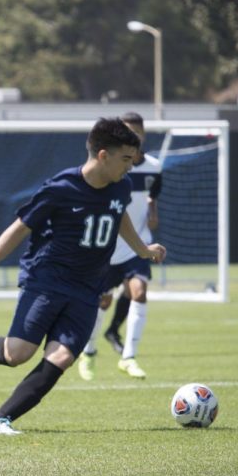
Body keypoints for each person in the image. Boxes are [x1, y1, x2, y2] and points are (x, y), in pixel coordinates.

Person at [0, 118, 166, 435]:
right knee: (17, 354)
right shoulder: (61, 188)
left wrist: (144, 249)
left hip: (87, 288)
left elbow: (119, 217)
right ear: (103, 155)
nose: (132, 165)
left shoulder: (121, 186)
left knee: (63, 356)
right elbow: (19, 228)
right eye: (126, 158)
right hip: (46, 281)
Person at [78, 112, 163, 381]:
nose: (134, 136)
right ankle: (89, 352)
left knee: (139, 291)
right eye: (128, 131)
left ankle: (128, 357)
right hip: (107, 247)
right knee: (103, 300)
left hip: (137, 243)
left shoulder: (154, 167)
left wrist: (152, 211)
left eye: (138, 132)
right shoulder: (108, 168)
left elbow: (152, 196)